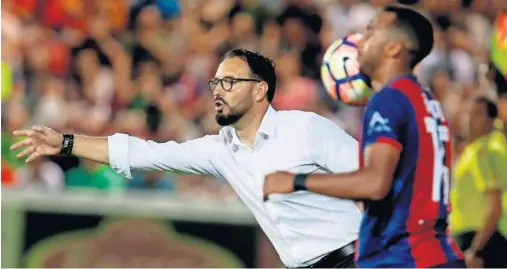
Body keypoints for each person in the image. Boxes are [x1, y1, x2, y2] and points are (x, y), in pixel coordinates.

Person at [11, 48, 362, 268]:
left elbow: (372, 179)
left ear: (260, 89)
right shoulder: (220, 149)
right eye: (215, 83)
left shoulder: (305, 128)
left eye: (230, 82)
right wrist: (67, 143)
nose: (217, 91)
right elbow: (142, 152)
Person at [263, 5, 465, 268]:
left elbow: (374, 183)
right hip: (437, 254)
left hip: (402, 258)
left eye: (371, 31)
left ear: (394, 48)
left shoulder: (389, 99)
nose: (359, 40)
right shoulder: (425, 100)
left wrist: (295, 181)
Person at [451, 96, 507, 268]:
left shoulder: (483, 150)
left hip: (483, 241)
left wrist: (476, 250)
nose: (469, 119)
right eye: (468, 113)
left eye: (477, 114)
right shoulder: (477, 149)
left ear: (491, 121)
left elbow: (495, 206)